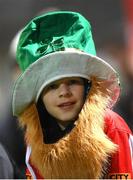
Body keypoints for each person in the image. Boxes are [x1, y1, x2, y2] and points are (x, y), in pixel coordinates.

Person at [12, 11, 133, 179]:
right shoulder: (35, 139)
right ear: (38, 98)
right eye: (52, 86)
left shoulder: (112, 127)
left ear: (89, 86)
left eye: (73, 82)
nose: (64, 92)